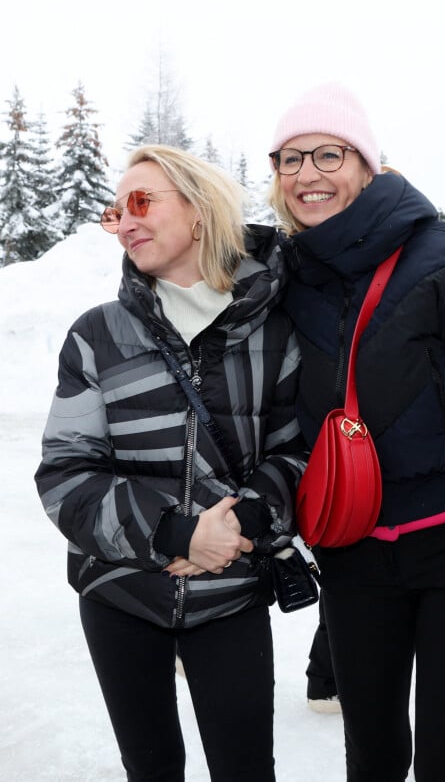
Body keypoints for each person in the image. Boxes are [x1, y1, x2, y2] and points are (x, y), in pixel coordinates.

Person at [267, 82, 445, 782]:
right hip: (352, 554)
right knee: (370, 755)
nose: (308, 174)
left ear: (368, 165)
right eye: (289, 159)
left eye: (328, 154)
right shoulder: (283, 273)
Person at [35, 144, 307, 782]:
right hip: (120, 592)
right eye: (115, 210)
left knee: (246, 770)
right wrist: (175, 533)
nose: (124, 222)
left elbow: (298, 454)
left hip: (230, 598)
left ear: (200, 210)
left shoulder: (274, 331)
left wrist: (236, 526)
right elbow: (65, 472)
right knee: (150, 768)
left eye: (141, 201)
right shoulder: (98, 336)